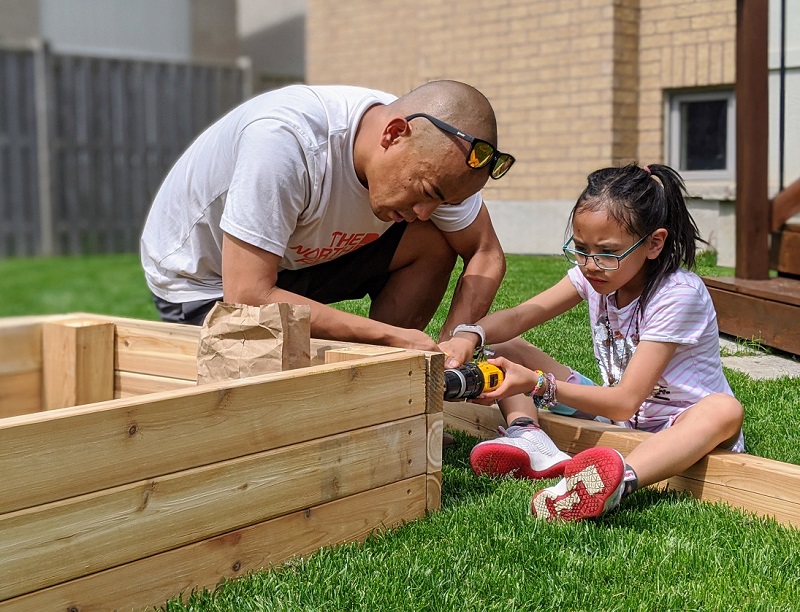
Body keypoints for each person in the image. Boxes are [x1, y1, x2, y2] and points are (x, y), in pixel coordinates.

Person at [442, 163, 745, 522]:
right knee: (504, 346)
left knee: (724, 410)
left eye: (606, 252)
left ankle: (617, 482)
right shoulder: (595, 275)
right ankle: (528, 436)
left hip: (676, 422)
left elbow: (624, 402)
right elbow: (523, 314)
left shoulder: (678, 294)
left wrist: (538, 384)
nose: (590, 265)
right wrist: (470, 334)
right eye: (581, 249)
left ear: (653, 243)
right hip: (620, 419)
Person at [140, 80, 513, 352]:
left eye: (442, 203)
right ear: (393, 134)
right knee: (279, 396)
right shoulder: (284, 142)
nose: (424, 211)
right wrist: (390, 338)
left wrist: (458, 339)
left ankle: (381, 378)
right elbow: (248, 295)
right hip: (211, 281)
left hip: (296, 258)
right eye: (428, 193)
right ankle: (385, 356)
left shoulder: (442, 161)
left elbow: (486, 252)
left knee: (434, 240)